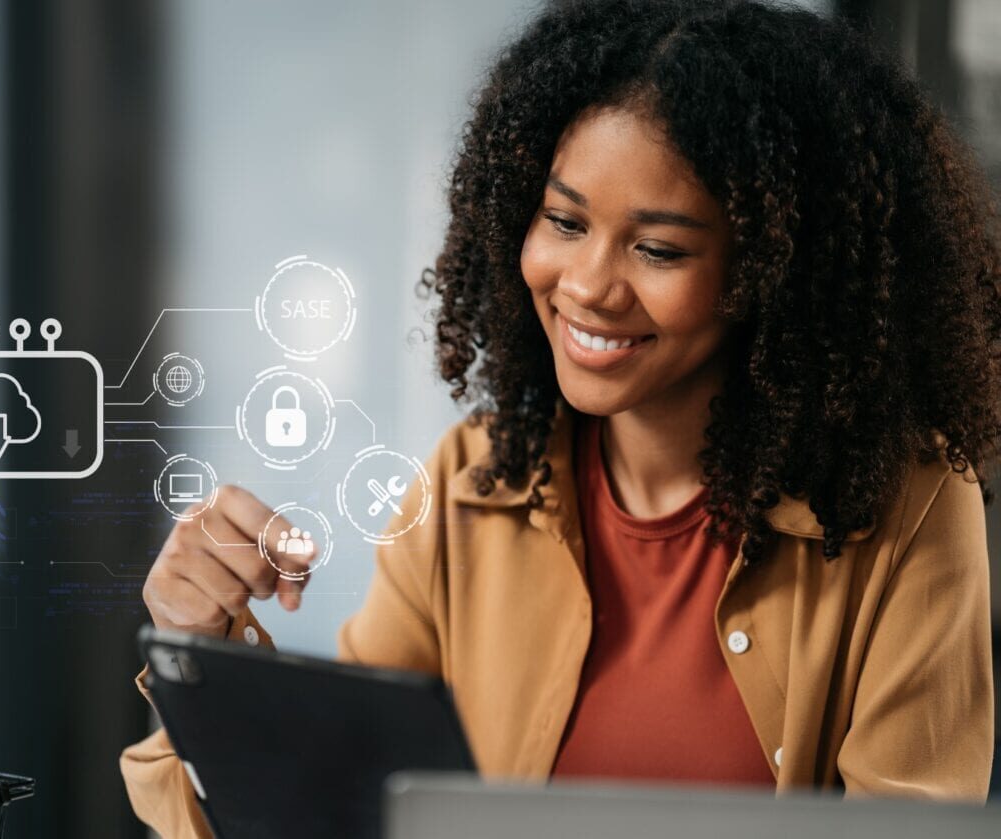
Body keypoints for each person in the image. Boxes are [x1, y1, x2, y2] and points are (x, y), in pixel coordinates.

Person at [121, 0, 999, 835]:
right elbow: (337, 812)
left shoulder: (904, 504)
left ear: (773, 269)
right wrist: (199, 656)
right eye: (563, 220)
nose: (587, 285)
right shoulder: (472, 484)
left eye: (657, 248)